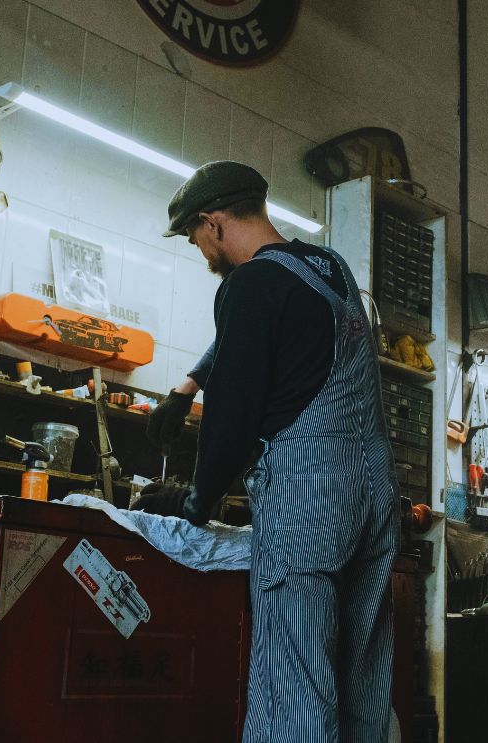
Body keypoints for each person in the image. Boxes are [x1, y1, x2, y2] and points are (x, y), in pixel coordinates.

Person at [135, 160, 400, 743]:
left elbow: (232, 419)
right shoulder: (326, 268)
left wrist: (195, 501)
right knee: (364, 686)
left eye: (194, 238)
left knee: (296, 687)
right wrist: (186, 388)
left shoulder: (247, 284)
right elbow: (260, 333)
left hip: (310, 499)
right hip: (375, 494)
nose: (201, 252)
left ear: (213, 223)